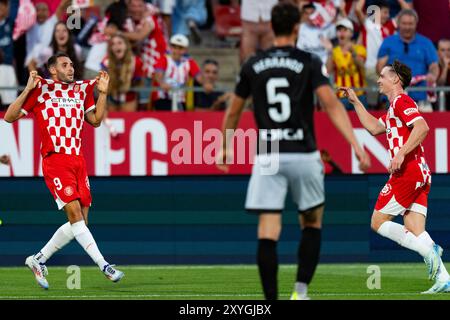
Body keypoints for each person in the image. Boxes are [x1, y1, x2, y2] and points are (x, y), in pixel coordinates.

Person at [217, 2, 370, 300]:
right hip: (304, 152)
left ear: (271, 28)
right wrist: (356, 145)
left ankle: (270, 301)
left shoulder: (252, 64)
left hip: (269, 155)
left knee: (268, 229)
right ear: (297, 28)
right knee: (312, 222)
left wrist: (225, 146)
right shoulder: (309, 61)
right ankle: (300, 292)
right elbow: (330, 104)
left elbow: (234, 112)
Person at [3, 52, 124, 290]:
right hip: (55, 159)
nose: (71, 68)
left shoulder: (81, 91)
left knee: (82, 222)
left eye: (71, 64)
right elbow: (9, 117)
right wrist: (27, 90)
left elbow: (97, 120)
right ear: (53, 70)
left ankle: (38, 259)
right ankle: (105, 266)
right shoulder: (41, 90)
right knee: (75, 216)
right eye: (65, 65)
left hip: (78, 160)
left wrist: (103, 92)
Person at [340, 60, 450, 294]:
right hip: (420, 173)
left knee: (377, 222)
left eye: (382, 76)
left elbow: (422, 127)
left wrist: (400, 153)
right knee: (415, 230)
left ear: (395, 80)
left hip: (408, 172)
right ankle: (444, 278)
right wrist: (356, 102)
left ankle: (429, 251)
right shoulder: (393, 108)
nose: (378, 80)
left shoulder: (402, 101)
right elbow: (373, 128)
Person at [376, 9, 439, 112]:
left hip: (420, 97)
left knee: (423, 126)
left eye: (410, 24)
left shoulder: (426, 43)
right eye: (404, 23)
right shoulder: (388, 42)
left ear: (416, 24)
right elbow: (379, 67)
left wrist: (432, 75)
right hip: (393, 96)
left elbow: (434, 65)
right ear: (398, 24)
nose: (407, 27)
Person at [152, 34, 205, 111]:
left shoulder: (189, 62)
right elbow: (158, 74)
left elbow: (199, 77)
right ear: (170, 47)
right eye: (174, 47)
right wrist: (162, 83)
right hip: (164, 98)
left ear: (185, 50)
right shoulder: (164, 59)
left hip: (180, 99)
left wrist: (206, 83)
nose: (177, 51)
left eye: (180, 48)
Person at [326, 18, 367, 110]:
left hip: (359, 94)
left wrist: (353, 52)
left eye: (345, 30)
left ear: (351, 33)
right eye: (339, 30)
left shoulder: (359, 49)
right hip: (341, 96)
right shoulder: (334, 51)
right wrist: (329, 53)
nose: (341, 33)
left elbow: (361, 65)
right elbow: (328, 71)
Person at [101, 34, 144, 112]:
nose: (116, 46)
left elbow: (140, 83)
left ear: (126, 46)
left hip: (129, 98)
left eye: (119, 43)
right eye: (113, 44)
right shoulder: (106, 62)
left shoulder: (136, 62)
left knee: (128, 121)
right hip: (111, 98)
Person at [437, 39, 450, 110]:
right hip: (439, 103)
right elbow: (440, 86)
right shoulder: (434, 66)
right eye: (443, 50)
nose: (446, 53)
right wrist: (445, 67)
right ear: (437, 52)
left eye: (449, 50)